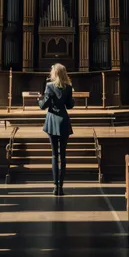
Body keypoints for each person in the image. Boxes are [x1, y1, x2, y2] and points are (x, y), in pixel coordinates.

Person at [38, 63, 74, 196]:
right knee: (63, 156)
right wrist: (72, 100)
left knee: (54, 155)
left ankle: (55, 187)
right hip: (64, 121)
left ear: (55, 73)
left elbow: (44, 106)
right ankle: (61, 187)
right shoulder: (68, 87)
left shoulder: (49, 86)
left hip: (52, 121)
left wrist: (39, 100)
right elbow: (70, 106)